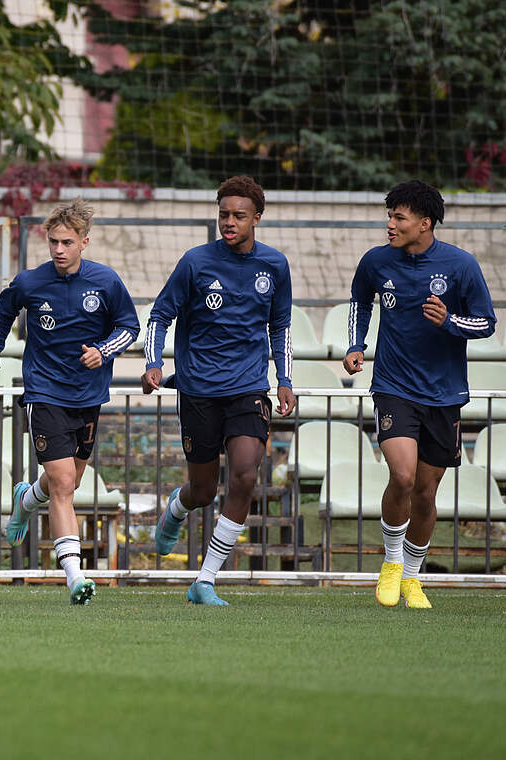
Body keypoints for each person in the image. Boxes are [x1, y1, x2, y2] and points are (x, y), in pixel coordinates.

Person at [0, 198, 141, 605]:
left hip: (87, 397)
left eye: (67, 242)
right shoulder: (30, 283)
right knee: (65, 485)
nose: (59, 250)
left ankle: (27, 499)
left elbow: (129, 327)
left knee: (66, 481)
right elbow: (0, 318)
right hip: (44, 392)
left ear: (85, 242)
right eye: (52, 242)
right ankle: (74, 577)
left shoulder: (105, 282)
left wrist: (103, 351)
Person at [142, 175, 295, 606]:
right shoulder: (195, 262)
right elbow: (159, 316)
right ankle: (177, 506)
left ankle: (205, 580)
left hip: (248, 387)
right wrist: (154, 362)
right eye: (224, 214)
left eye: (239, 216)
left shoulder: (275, 266)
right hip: (198, 390)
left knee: (246, 474)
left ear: (257, 219)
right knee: (204, 490)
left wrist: (284, 380)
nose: (229, 222)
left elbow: (279, 327)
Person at [343, 180, 494, 610]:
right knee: (403, 476)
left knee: (426, 492)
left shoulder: (460, 265)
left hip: (444, 395)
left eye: (398, 217)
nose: (390, 224)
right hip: (392, 387)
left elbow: (486, 323)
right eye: (389, 216)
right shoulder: (375, 262)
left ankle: (413, 577)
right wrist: (356, 344)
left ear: (425, 223)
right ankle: (391, 564)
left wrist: (449, 321)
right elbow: (359, 301)